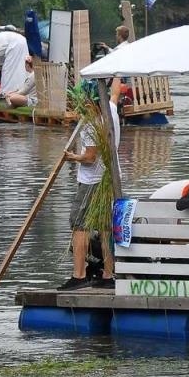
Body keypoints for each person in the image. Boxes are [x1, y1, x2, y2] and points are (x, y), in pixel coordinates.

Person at [61, 95, 116, 289]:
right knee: (105, 227)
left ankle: (79, 275)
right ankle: (108, 275)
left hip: (91, 182)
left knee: (79, 223)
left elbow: (90, 157)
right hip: (107, 179)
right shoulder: (112, 111)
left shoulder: (91, 124)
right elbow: (115, 92)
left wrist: (73, 157)